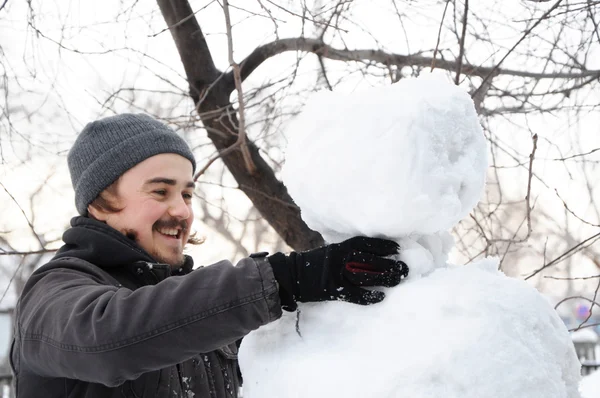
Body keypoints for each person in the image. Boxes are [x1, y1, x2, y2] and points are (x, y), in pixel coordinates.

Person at [10, 113, 409, 398]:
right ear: (101, 203)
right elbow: (108, 339)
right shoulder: (57, 290)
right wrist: (282, 279)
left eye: (187, 193)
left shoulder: (200, 319)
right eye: (160, 191)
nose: (182, 210)